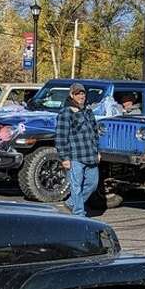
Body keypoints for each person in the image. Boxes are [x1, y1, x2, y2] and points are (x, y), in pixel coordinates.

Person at [56, 83, 101, 217]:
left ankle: (71, 203)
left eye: (83, 93)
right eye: (78, 93)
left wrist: (98, 151)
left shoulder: (88, 111)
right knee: (76, 187)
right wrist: (64, 158)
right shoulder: (66, 112)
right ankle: (79, 214)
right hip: (75, 156)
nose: (81, 96)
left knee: (92, 184)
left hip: (91, 155)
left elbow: (95, 132)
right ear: (71, 95)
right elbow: (61, 137)